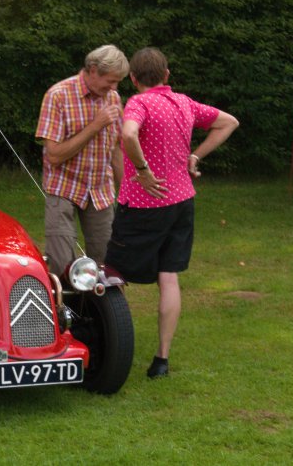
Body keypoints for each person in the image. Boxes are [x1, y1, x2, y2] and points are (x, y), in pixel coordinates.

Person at [105, 47, 239, 378]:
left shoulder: (138, 103)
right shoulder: (184, 102)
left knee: (112, 273)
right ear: (166, 75)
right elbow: (229, 122)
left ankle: (109, 344)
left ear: (133, 78)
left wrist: (142, 170)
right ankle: (161, 359)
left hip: (143, 207)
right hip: (181, 203)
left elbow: (128, 133)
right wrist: (196, 156)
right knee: (169, 276)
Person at [35, 44, 128, 277]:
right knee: (61, 265)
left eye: (117, 82)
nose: (114, 88)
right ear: (93, 70)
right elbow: (54, 155)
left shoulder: (113, 98)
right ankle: (63, 300)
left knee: (108, 265)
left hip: (100, 191)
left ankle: (100, 302)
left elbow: (116, 149)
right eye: (111, 81)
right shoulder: (58, 95)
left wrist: (127, 194)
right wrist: (95, 126)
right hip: (63, 188)